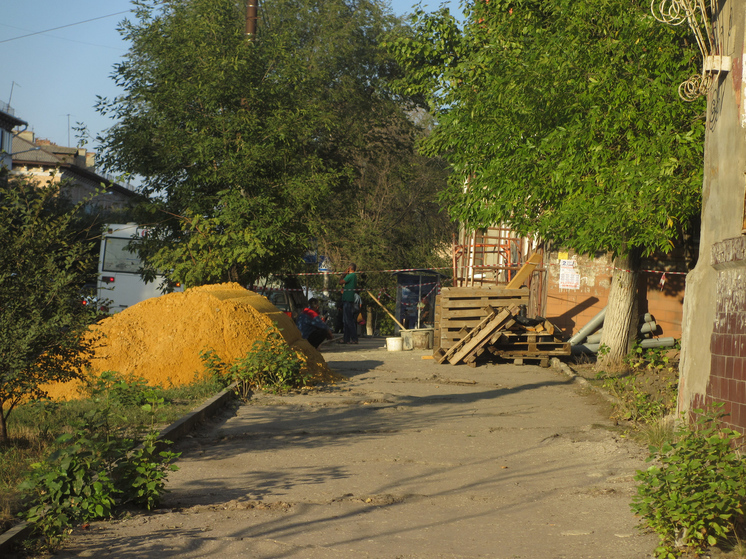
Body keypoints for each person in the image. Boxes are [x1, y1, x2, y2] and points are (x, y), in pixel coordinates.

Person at [338, 263, 358, 344]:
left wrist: (343, 274)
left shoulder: (351, 276)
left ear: (349, 268)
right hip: (347, 299)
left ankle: (354, 338)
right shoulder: (354, 276)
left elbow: (340, 282)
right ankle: (346, 339)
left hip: (348, 300)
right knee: (346, 320)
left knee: (349, 320)